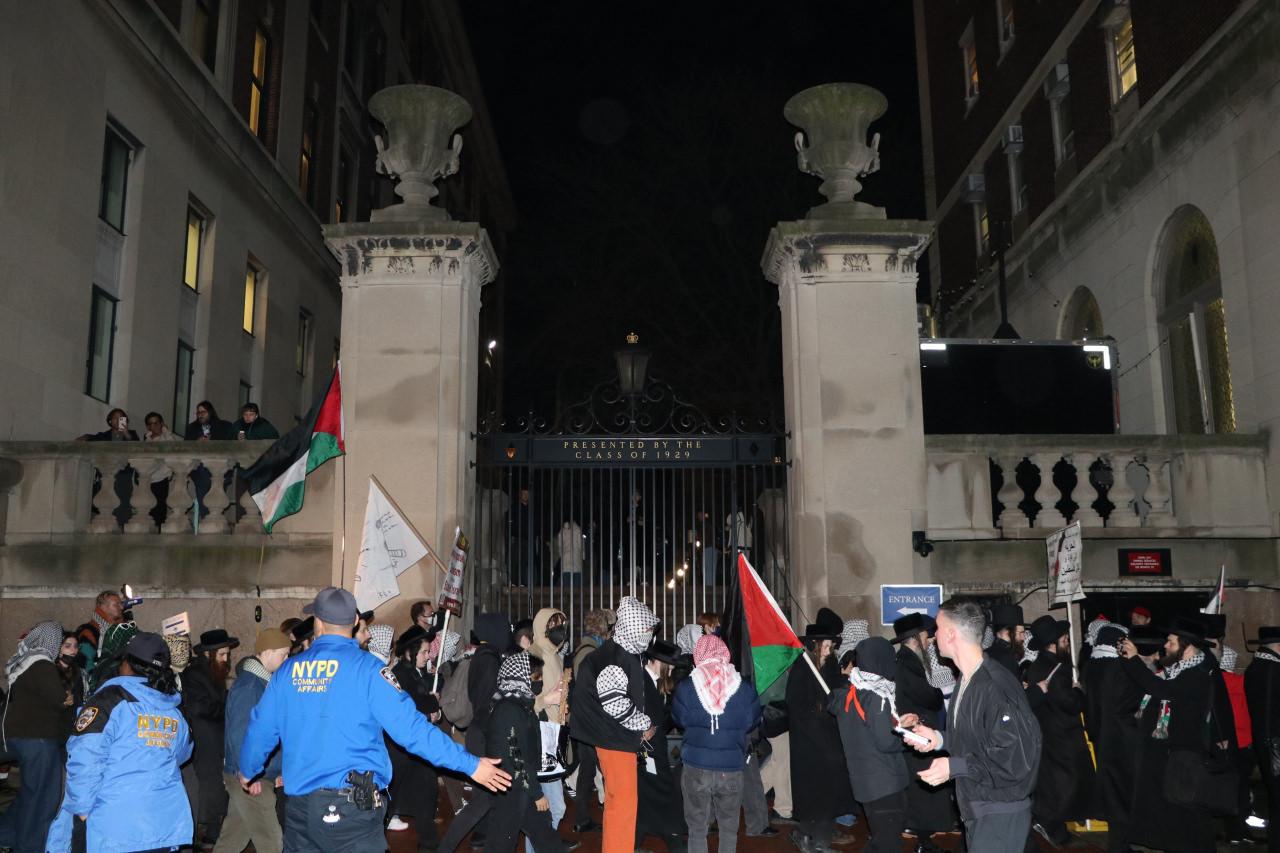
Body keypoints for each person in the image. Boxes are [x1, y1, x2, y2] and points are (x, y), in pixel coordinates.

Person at [239, 586, 512, 850]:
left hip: (300, 809)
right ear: (355, 621)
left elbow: (260, 729)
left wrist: (247, 771)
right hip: (350, 813)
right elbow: (413, 730)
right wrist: (471, 765)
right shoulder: (370, 671)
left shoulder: (288, 671)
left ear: (318, 623)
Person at [905, 600, 1040, 853]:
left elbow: (1015, 760)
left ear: (951, 633)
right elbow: (979, 738)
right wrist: (939, 739)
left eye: (937, 627)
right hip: (979, 806)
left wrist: (955, 766)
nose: (933, 636)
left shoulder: (995, 686)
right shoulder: (968, 679)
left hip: (999, 811)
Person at [44, 633, 194, 852]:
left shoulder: (108, 702)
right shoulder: (172, 707)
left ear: (128, 664)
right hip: (162, 823)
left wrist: (81, 810)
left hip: (112, 825)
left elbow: (84, 758)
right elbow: (183, 753)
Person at [439, 652, 568, 853]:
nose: (539, 681)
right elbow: (517, 757)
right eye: (536, 677)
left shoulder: (521, 704)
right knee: (503, 843)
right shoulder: (509, 709)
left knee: (544, 836)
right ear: (520, 677)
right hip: (511, 789)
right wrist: (536, 793)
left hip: (518, 787)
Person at [1116, 615, 1218, 852]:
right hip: (1172, 755)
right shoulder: (1178, 671)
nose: (1165, 646)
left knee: (1190, 815)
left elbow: (1161, 690)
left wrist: (1133, 660)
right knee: (1176, 815)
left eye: (1171, 642)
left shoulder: (1197, 674)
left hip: (1186, 756)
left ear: (1187, 646)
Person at [570, 596, 659, 853]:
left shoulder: (613, 652)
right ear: (633, 628)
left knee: (615, 803)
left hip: (609, 738)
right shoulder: (617, 657)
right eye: (646, 629)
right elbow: (615, 703)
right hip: (616, 740)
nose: (650, 634)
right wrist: (643, 724)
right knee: (623, 807)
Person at [673, 634, 761, 853]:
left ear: (698, 656)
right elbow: (752, 721)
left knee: (697, 828)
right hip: (731, 767)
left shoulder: (687, 686)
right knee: (729, 829)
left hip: (696, 766)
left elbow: (679, 719)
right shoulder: (743, 687)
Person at [829, 637, 908, 853]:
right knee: (888, 844)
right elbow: (886, 741)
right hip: (884, 781)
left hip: (865, 782)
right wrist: (908, 736)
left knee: (880, 841)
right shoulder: (877, 696)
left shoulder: (849, 693)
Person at [215, 628, 290, 853]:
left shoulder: (262, 683)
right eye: (283, 654)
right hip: (249, 777)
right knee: (272, 841)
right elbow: (240, 734)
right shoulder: (250, 686)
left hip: (254, 774)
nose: (287, 659)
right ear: (267, 652)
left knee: (233, 838)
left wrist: (276, 768)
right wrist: (249, 773)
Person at [1022, 614, 1094, 848]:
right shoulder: (1055, 668)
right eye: (1064, 639)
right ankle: (1049, 824)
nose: (1067, 642)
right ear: (1052, 643)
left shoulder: (1037, 666)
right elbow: (1069, 702)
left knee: (1054, 784)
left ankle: (1054, 826)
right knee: (1064, 785)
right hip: (1062, 735)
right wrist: (1079, 692)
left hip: (1048, 732)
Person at [785, 607, 852, 853]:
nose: (830, 648)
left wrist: (842, 682)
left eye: (832, 644)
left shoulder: (830, 664)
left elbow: (834, 691)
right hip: (809, 743)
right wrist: (819, 709)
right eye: (827, 644)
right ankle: (814, 840)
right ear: (815, 644)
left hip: (829, 740)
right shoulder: (804, 667)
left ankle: (813, 836)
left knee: (827, 792)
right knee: (814, 792)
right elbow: (796, 704)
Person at [0, 621, 68, 852]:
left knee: (30, 793)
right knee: (43, 800)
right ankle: (29, 847)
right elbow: (57, 698)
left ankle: (7, 834)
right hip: (39, 739)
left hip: (21, 738)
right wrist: (66, 697)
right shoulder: (42, 664)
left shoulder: (24, 663)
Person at [890, 613, 952, 848]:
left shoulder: (909, 660)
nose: (929, 641)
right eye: (926, 635)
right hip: (917, 734)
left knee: (924, 793)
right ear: (916, 638)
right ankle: (924, 844)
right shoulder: (908, 663)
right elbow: (930, 697)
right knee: (924, 794)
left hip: (917, 732)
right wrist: (938, 692)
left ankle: (925, 841)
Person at [1082, 624, 1140, 853]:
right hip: (1122, 738)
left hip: (1102, 736)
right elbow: (1129, 701)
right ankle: (1121, 845)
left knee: (1113, 793)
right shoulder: (1119, 667)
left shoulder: (1091, 666)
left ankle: (1119, 843)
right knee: (1123, 793)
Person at [386, 624, 446, 845]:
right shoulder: (399, 675)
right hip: (401, 747)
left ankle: (429, 841)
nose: (427, 655)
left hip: (418, 744)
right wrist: (429, 714)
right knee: (391, 796)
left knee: (427, 790)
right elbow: (403, 710)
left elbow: (427, 701)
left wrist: (434, 708)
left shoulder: (415, 673)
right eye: (423, 652)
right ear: (410, 652)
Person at [184, 627, 238, 846]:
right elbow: (198, 707)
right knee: (209, 787)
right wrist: (226, 705)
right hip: (203, 741)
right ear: (208, 654)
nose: (227, 659)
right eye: (223, 654)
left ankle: (213, 832)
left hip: (214, 740)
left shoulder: (213, 672)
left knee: (218, 787)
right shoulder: (194, 674)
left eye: (227, 654)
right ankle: (205, 833)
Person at [637, 640, 688, 852]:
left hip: (651, 750)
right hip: (645, 752)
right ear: (658, 661)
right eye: (671, 664)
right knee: (663, 793)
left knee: (646, 797)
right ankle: (674, 840)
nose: (674, 669)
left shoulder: (655, 681)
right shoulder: (641, 681)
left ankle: (635, 842)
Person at [531, 607, 572, 842]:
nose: (560, 630)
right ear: (542, 627)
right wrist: (548, 700)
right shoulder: (534, 655)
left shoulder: (555, 656)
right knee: (553, 807)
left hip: (553, 734)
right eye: (553, 625)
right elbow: (521, 701)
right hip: (541, 735)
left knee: (547, 809)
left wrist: (562, 704)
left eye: (562, 625)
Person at [570, 607, 612, 833]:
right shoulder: (589, 651)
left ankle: (582, 818)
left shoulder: (588, 648)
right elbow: (592, 689)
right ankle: (588, 817)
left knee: (587, 769)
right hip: (590, 720)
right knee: (600, 767)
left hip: (585, 719)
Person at [1220, 644, 1260, 845]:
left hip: (1225, 743)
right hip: (1244, 742)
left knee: (1230, 788)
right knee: (1241, 788)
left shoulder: (1215, 681)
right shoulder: (1241, 682)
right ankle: (1240, 830)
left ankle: (1232, 830)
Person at [1246, 625, 1280, 853]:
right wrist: (1272, 746)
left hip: (1267, 742)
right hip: (1274, 745)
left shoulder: (1257, 666)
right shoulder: (1271, 669)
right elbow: (1268, 711)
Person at [75, 589, 123, 674]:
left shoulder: (121, 629)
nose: (121, 607)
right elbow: (86, 663)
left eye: (121, 604)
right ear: (103, 607)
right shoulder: (88, 632)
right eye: (116, 605)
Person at [56, 631, 89, 734]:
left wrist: (73, 698)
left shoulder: (79, 671)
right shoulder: (50, 670)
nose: (73, 650)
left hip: (70, 723)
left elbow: (81, 698)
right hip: (53, 724)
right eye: (67, 646)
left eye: (75, 646)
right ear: (58, 649)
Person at [986, 604, 1024, 680]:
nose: (1023, 637)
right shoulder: (1007, 658)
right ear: (1007, 632)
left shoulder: (985, 654)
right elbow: (1014, 691)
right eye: (1020, 633)